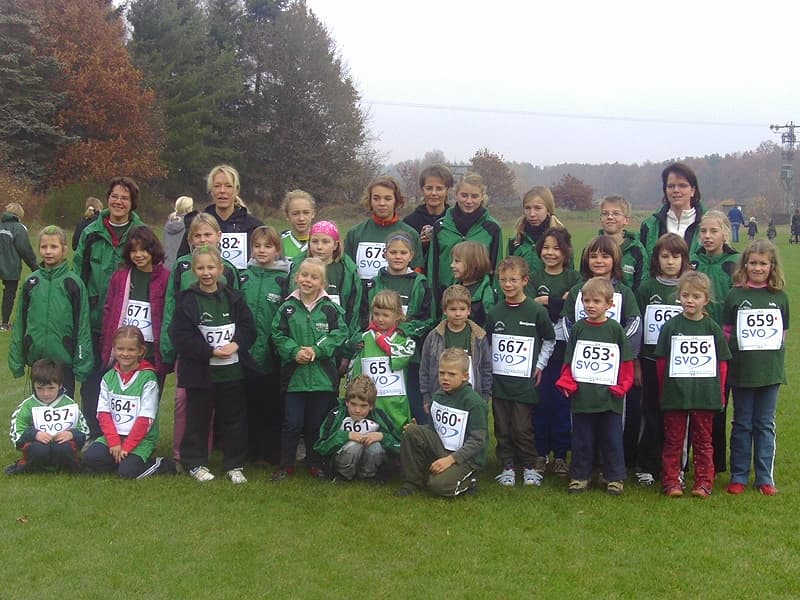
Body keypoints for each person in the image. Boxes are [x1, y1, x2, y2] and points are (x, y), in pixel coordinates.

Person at [169, 245, 256, 483]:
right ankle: (195, 463)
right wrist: (210, 351)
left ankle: (234, 464)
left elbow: (249, 328)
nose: (206, 272)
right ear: (193, 271)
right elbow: (180, 336)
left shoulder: (233, 298)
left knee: (234, 420)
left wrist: (236, 344)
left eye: (211, 267)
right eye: (201, 268)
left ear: (221, 269)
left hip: (232, 373)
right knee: (197, 419)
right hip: (201, 374)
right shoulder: (186, 301)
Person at [161, 213, 240, 463]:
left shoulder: (230, 269)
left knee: (212, 403)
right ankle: (180, 454)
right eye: (197, 235)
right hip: (189, 347)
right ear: (190, 238)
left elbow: (238, 309)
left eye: (208, 234)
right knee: (184, 400)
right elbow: (170, 306)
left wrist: (235, 345)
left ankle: (203, 454)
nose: (203, 239)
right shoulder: (182, 266)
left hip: (221, 350)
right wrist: (168, 344)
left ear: (219, 236)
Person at [562, 235, 642, 469]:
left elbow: (635, 323)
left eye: (605, 256)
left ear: (615, 259)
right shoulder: (578, 290)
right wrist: (577, 351)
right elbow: (566, 322)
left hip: (613, 370)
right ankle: (583, 466)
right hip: (582, 368)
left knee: (613, 420)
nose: (599, 260)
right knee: (581, 420)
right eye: (594, 255)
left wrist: (617, 351)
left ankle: (611, 469)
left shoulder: (624, 293)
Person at [74, 176, 145, 438]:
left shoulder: (140, 234)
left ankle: (125, 433)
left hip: (127, 323)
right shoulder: (91, 232)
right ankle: (93, 433)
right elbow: (78, 275)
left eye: (124, 197)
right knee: (92, 381)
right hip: (93, 320)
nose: (118, 201)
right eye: (114, 196)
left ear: (132, 203)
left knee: (124, 379)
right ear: (107, 198)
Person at [654, 271, 731, 499]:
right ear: (679, 297)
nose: (690, 300)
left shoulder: (712, 328)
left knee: (703, 440)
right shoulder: (671, 327)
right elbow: (661, 362)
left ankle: (704, 481)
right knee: (673, 440)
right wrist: (663, 389)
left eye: (696, 296)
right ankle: (671, 481)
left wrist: (720, 392)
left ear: (705, 300)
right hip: (676, 393)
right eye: (685, 295)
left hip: (704, 395)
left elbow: (722, 364)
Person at [271, 258, 348, 481]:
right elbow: (277, 335)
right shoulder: (287, 308)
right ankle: (286, 465)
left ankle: (315, 464)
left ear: (322, 282)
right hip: (295, 378)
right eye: (304, 275)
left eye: (314, 277)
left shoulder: (330, 309)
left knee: (316, 425)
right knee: (292, 424)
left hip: (322, 378)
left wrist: (317, 350)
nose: (308, 280)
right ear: (296, 277)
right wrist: (294, 351)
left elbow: (339, 334)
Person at [556, 277, 635, 495]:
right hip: (583, 396)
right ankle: (580, 476)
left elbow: (626, 362)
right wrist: (567, 381)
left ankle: (614, 477)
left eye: (596, 301)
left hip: (610, 397)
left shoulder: (615, 330)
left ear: (609, 304)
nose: (590, 305)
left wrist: (623, 385)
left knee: (611, 439)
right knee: (582, 439)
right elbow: (569, 360)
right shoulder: (578, 328)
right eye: (586, 301)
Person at [723, 240, 788, 496]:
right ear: (745, 264)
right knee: (741, 423)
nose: (757, 268)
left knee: (764, 424)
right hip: (742, 371)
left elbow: (782, 334)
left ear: (772, 266)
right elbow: (727, 332)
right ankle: (738, 474)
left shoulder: (779, 298)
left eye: (763, 263)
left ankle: (764, 477)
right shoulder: (735, 295)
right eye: (753, 263)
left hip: (770, 372)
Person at [487, 257, 555, 487]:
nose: (508, 285)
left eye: (513, 280)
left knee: (522, 427)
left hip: (525, 383)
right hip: (501, 381)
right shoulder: (495, 312)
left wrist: (539, 365)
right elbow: (487, 344)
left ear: (525, 281)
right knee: (502, 427)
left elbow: (549, 339)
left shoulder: (536, 311)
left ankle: (529, 466)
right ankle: (507, 466)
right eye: (503, 280)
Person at [9, 226, 93, 398]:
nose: (48, 251)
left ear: (64, 250)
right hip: (38, 361)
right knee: (38, 413)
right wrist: (17, 359)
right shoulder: (31, 282)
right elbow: (20, 322)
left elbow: (82, 325)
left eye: (53, 247)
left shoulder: (73, 283)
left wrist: (82, 363)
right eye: (44, 247)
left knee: (63, 415)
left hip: (63, 363)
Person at [83, 326, 174, 478]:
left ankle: (160, 464)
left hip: (140, 439)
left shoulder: (148, 379)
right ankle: (119, 460)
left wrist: (127, 447)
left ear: (140, 351)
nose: (125, 354)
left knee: (127, 473)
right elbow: (103, 413)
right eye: (120, 349)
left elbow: (146, 419)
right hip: (114, 437)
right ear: (114, 349)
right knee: (91, 459)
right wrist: (114, 443)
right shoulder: (108, 377)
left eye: (131, 350)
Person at [635, 233, 690, 485]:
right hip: (650, 360)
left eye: (676, 256)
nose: (670, 262)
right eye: (665, 256)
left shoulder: (688, 289)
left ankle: (676, 465)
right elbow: (638, 328)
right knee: (651, 412)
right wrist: (636, 361)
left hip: (679, 364)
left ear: (684, 259)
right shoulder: (647, 288)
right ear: (656, 259)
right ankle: (647, 464)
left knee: (676, 414)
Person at [395, 348, 488, 498]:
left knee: (438, 485)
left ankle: (470, 481)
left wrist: (451, 460)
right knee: (412, 432)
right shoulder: (438, 396)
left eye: (451, 374)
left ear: (465, 376)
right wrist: (418, 429)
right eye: (442, 373)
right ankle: (412, 482)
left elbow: (477, 441)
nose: (445, 378)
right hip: (443, 447)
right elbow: (434, 429)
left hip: (466, 458)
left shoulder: (474, 402)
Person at [362, 232, 434, 423]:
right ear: (385, 254)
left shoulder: (421, 283)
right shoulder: (374, 282)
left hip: (409, 353)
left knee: (413, 400)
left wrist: (404, 331)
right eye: (393, 252)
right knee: (381, 400)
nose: (398, 256)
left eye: (403, 253)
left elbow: (428, 318)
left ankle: (417, 443)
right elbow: (363, 315)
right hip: (377, 351)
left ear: (411, 255)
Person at [527, 227, 581, 476]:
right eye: (546, 247)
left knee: (561, 402)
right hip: (539, 349)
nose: (550, 253)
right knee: (541, 402)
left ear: (566, 251)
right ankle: (540, 453)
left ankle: (561, 455)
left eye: (556, 248)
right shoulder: (534, 277)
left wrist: (548, 301)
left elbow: (572, 308)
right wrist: (557, 302)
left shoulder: (574, 277)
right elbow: (530, 308)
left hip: (564, 349)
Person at [690, 210, 738, 472]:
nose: (707, 237)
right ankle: (685, 461)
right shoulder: (692, 260)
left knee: (718, 403)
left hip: (723, 347)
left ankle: (716, 462)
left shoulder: (734, 262)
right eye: (703, 232)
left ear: (725, 233)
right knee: (690, 403)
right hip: (692, 343)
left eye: (713, 231)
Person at [239, 225, 291, 464]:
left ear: (277, 250)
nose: (262, 250)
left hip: (273, 351)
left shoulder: (284, 278)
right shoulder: (244, 276)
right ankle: (248, 451)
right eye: (257, 246)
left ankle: (271, 452)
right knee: (247, 402)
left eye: (268, 246)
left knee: (271, 403)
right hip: (246, 350)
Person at [100, 227, 169, 391]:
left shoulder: (166, 278)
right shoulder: (121, 276)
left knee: (148, 401)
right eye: (133, 251)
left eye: (144, 250)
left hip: (151, 352)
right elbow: (109, 309)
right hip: (124, 350)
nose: (139, 255)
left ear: (153, 250)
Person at [6, 358, 89, 475]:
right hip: (38, 444)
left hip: (62, 443)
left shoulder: (69, 404)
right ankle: (28, 465)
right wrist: (34, 434)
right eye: (40, 388)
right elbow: (17, 431)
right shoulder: (27, 405)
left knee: (63, 449)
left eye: (51, 388)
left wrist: (71, 434)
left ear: (60, 385)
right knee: (39, 450)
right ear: (33, 385)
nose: (46, 393)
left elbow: (84, 430)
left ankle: (68, 465)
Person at [348, 289, 416, 432]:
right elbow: (355, 368)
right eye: (376, 314)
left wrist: (383, 343)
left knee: (398, 435)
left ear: (397, 315)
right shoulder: (365, 338)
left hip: (395, 400)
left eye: (385, 315)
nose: (380, 319)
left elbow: (405, 356)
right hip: (371, 400)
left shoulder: (404, 340)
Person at [429, 172, 503, 301]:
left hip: (478, 301)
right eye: (464, 195)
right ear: (456, 194)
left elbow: (497, 269)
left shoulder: (492, 228)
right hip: (445, 297)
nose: (469, 201)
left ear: (482, 197)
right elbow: (433, 267)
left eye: (474, 196)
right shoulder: (441, 226)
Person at [314, 375, 402, 483]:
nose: (357, 410)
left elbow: (399, 446)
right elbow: (321, 447)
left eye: (363, 406)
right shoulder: (336, 415)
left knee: (375, 446)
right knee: (353, 446)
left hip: (370, 460)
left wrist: (382, 436)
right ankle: (344, 476)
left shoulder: (380, 416)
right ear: (346, 402)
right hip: (341, 459)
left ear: (371, 406)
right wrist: (345, 436)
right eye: (353, 404)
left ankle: (368, 476)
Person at [176, 165, 264, 269]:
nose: (222, 190)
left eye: (228, 186)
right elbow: (182, 263)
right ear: (211, 190)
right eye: (217, 186)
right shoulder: (197, 224)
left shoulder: (254, 226)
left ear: (236, 190)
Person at [419, 285, 492, 409]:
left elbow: (486, 368)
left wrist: (485, 396)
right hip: (441, 396)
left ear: (468, 310)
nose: (458, 314)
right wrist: (426, 396)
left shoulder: (479, 336)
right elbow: (425, 368)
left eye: (462, 309)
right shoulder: (434, 337)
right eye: (453, 309)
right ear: (444, 310)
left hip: (471, 397)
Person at [344, 176, 423, 282]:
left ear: (396, 200)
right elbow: (347, 272)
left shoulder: (410, 234)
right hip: (362, 297)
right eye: (376, 198)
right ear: (370, 200)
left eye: (388, 198)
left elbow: (416, 275)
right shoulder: (355, 233)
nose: (382, 203)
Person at [640, 162, 705, 263]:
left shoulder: (707, 223)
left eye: (682, 186)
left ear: (693, 190)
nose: (676, 190)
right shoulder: (650, 226)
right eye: (671, 186)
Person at [508, 186, 568, 274]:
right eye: (528, 208)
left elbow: (569, 274)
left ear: (548, 210)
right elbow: (506, 272)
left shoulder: (561, 238)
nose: (532, 214)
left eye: (538, 208)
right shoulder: (516, 240)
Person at [403, 163, 453, 263]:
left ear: (447, 190)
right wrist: (419, 244)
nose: (434, 193)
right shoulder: (409, 222)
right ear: (422, 190)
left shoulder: (454, 220)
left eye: (439, 188)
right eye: (429, 188)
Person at [0, 202, 37, 331]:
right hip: (11, 267)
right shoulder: (19, 228)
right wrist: (35, 267)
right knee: (9, 293)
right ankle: (4, 324)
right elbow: (24, 249)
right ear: (19, 215)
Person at [599, 195, 647, 292]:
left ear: (626, 220)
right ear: (601, 218)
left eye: (616, 213)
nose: (610, 217)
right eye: (605, 213)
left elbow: (641, 286)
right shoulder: (592, 248)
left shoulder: (637, 249)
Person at [449, 241, 497, 328]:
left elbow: (489, 324)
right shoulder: (452, 289)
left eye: (457, 261)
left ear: (473, 264)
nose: (452, 265)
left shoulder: (487, 294)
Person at [281, 189, 316, 263]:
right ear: (287, 215)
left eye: (306, 212)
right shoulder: (278, 243)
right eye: (295, 213)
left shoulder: (322, 242)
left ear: (313, 214)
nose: (301, 218)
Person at [163, 196, 193, 269]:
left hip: (167, 264)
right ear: (188, 209)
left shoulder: (169, 224)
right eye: (192, 207)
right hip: (182, 264)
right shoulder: (189, 224)